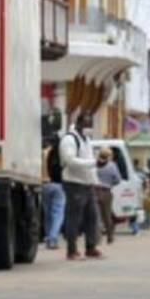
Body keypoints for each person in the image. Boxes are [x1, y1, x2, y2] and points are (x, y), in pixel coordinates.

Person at [60, 112, 103, 261]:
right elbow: (69, 160)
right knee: (74, 218)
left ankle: (91, 247)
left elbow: (89, 160)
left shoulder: (86, 139)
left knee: (92, 216)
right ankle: (71, 251)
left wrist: (95, 179)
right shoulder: (69, 139)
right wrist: (93, 163)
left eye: (90, 124)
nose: (88, 127)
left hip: (87, 183)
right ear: (78, 124)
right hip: (74, 183)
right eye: (86, 124)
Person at [41, 111, 66, 250]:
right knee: (57, 212)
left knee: (47, 213)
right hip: (57, 184)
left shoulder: (42, 151)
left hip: (43, 184)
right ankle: (53, 238)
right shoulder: (57, 150)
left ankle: (48, 236)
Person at [95, 148, 121, 244]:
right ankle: (110, 236)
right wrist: (110, 183)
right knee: (107, 215)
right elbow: (118, 179)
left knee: (96, 216)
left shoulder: (94, 164)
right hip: (106, 192)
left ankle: (97, 238)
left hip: (94, 191)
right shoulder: (112, 165)